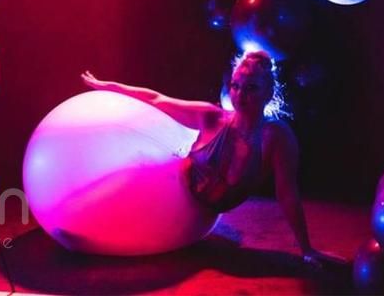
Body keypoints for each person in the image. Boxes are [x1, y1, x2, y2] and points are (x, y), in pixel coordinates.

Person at [81, 50, 344, 267]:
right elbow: (156, 99)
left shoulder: (277, 137)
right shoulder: (212, 118)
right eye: (235, 86)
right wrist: (106, 86)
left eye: (251, 88)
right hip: (167, 191)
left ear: (269, 93)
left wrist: (306, 249)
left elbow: (287, 194)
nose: (240, 95)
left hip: (197, 219)